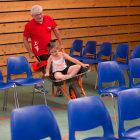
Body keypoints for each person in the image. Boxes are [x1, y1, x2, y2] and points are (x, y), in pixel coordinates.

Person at [23, 5, 64, 93]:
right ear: (32, 16)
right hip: (39, 52)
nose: (39, 16)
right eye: (37, 15)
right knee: (49, 68)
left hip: (50, 49)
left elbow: (56, 30)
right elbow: (25, 39)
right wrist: (30, 52)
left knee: (52, 67)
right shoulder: (29, 26)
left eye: (40, 13)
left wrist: (61, 44)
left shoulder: (48, 19)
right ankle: (58, 87)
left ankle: (38, 85)